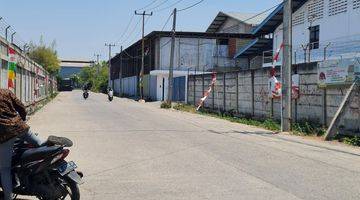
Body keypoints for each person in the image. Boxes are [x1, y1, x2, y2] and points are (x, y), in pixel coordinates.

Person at [0, 89, 44, 200]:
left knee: (4, 168)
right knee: (40, 144)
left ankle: (8, 198)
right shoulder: (6, 92)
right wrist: (21, 120)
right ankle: (56, 167)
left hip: (5, 134)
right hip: (20, 127)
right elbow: (21, 107)